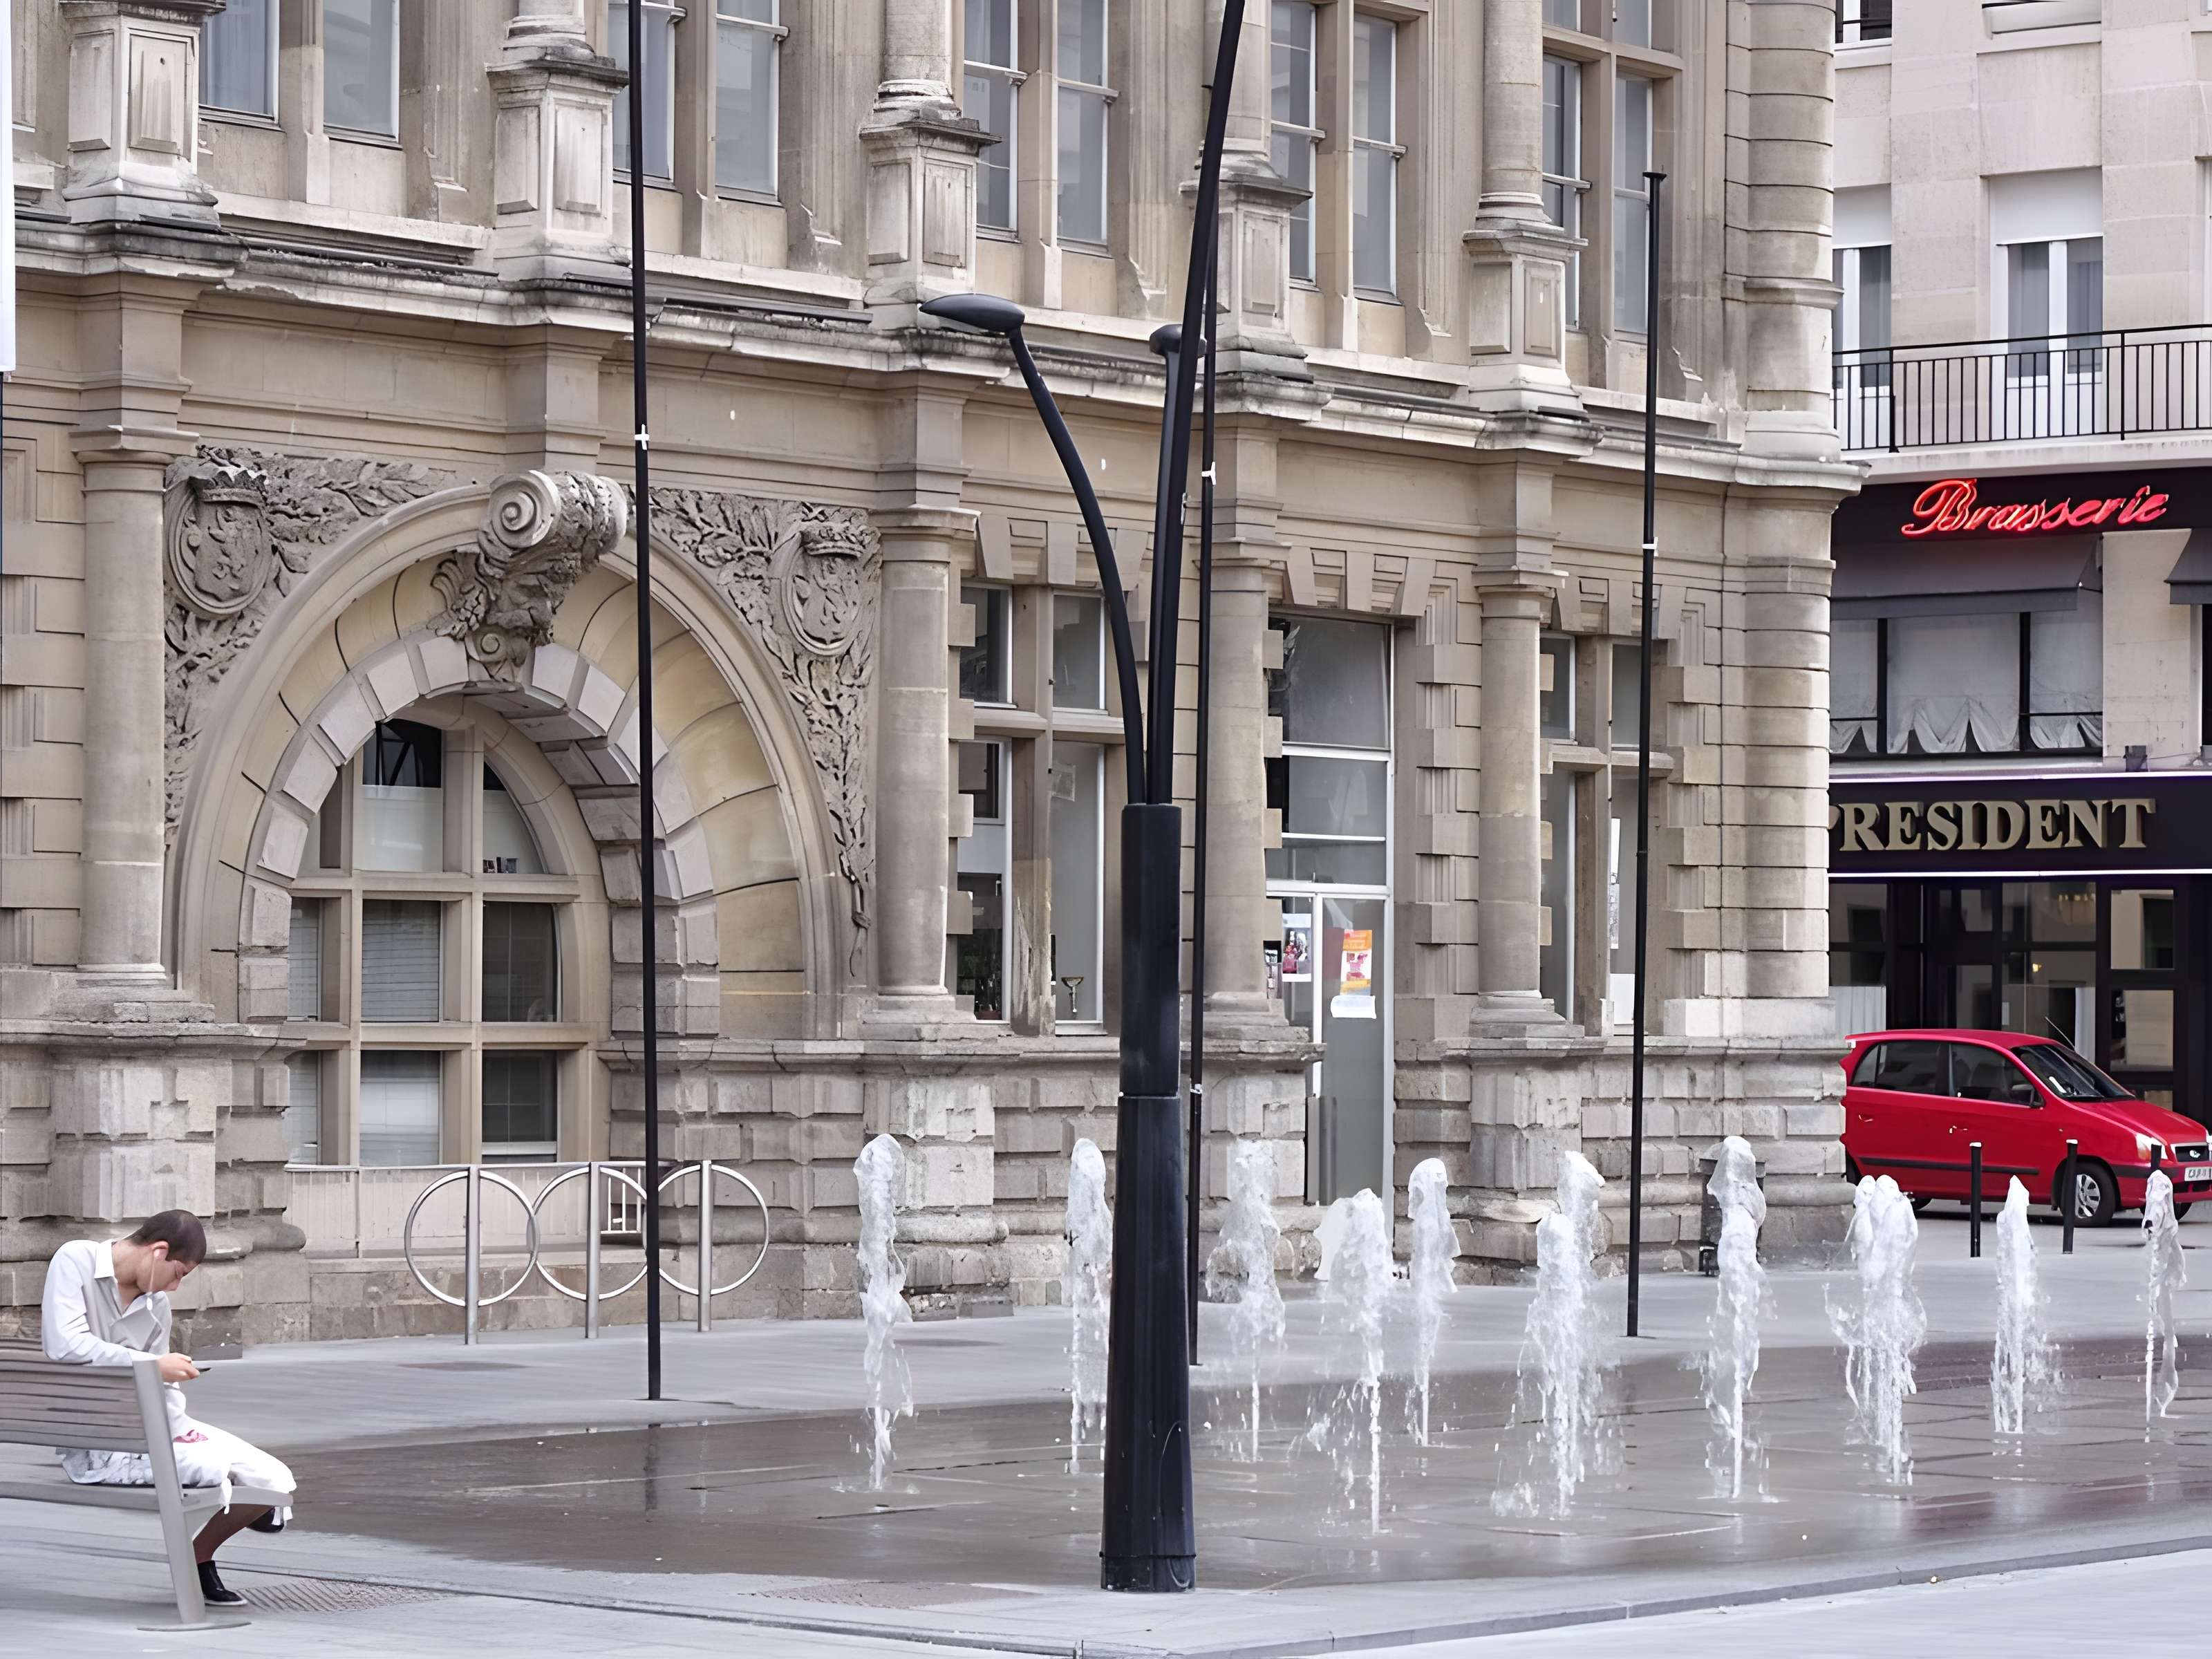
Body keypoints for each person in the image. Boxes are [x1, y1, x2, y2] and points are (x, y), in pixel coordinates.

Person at [40, 1210, 297, 1607]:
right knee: (216, 1469)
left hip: (152, 1426)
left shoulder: (154, 1303)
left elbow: (162, 1386)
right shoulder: (76, 1259)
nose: (175, 1287)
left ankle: (200, 1557)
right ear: (159, 1252)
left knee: (275, 1479)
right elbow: (64, 1344)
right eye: (179, 1273)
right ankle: (236, 1516)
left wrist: (178, 1422)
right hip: (95, 1440)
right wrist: (149, 1365)